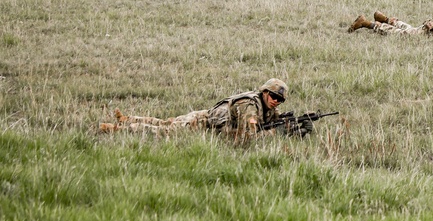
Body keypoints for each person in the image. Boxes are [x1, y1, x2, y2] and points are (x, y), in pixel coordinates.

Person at [99, 78, 312, 139]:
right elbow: (246, 139)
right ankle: (116, 129)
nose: (276, 102)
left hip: (204, 118)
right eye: (274, 96)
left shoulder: (266, 107)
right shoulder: (250, 106)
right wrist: (279, 133)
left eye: (280, 100)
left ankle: (127, 119)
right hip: (200, 126)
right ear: (265, 92)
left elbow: (269, 122)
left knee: (167, 123)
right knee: (164, 132)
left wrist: (291, 124)